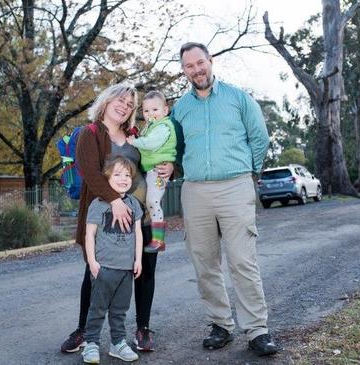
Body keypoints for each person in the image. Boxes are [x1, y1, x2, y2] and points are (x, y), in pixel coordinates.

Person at [171, 42, 279, 356]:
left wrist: (250, 174)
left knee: (243, 261)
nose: (196, 70)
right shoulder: (180, 108)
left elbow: (259, 138)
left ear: (211, 61)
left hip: (235, 186)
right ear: (184, 70)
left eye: (200, 63)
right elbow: (176, 149)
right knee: (204, 261)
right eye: (189, 66)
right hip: (195, 191)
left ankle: (257, 331)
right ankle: (220, 324)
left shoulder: (238, 98)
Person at [60, 83, 173, 354]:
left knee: (143, 271)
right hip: (105, 221)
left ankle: (143, 328)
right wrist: (115, 202)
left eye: (129, 104)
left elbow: (159, 156)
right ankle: (84, 330)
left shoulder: (137, 134)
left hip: (141, 217)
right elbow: (90, 172)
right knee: (96, 272)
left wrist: (171, 167)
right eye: (120, 101)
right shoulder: (91, 134)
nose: (124, 106)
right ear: (107, 102)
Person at [81, 155, 144, 364]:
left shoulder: (134, 203)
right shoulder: (98, 204)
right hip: (104, 267)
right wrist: (92, 262)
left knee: (120, 310)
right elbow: (89, 234)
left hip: (126, 269)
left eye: (127, 175)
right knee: (97, 308)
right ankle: (91, 343)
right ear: (107, 178)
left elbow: (138, 233)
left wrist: (138, 260)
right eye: (117, 174)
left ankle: (118, 343)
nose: (123, 178)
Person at [126, 90, 177, 252]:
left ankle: (159, 240)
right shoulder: (151, 126)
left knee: (153, 202)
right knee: (148, 202)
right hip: (151, 170)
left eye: (155, 110)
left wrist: (134, 142)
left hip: (159, 170)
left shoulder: (163, 127)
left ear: (165, 110)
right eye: (146, 111)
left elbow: (151, 144)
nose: (150, 114)